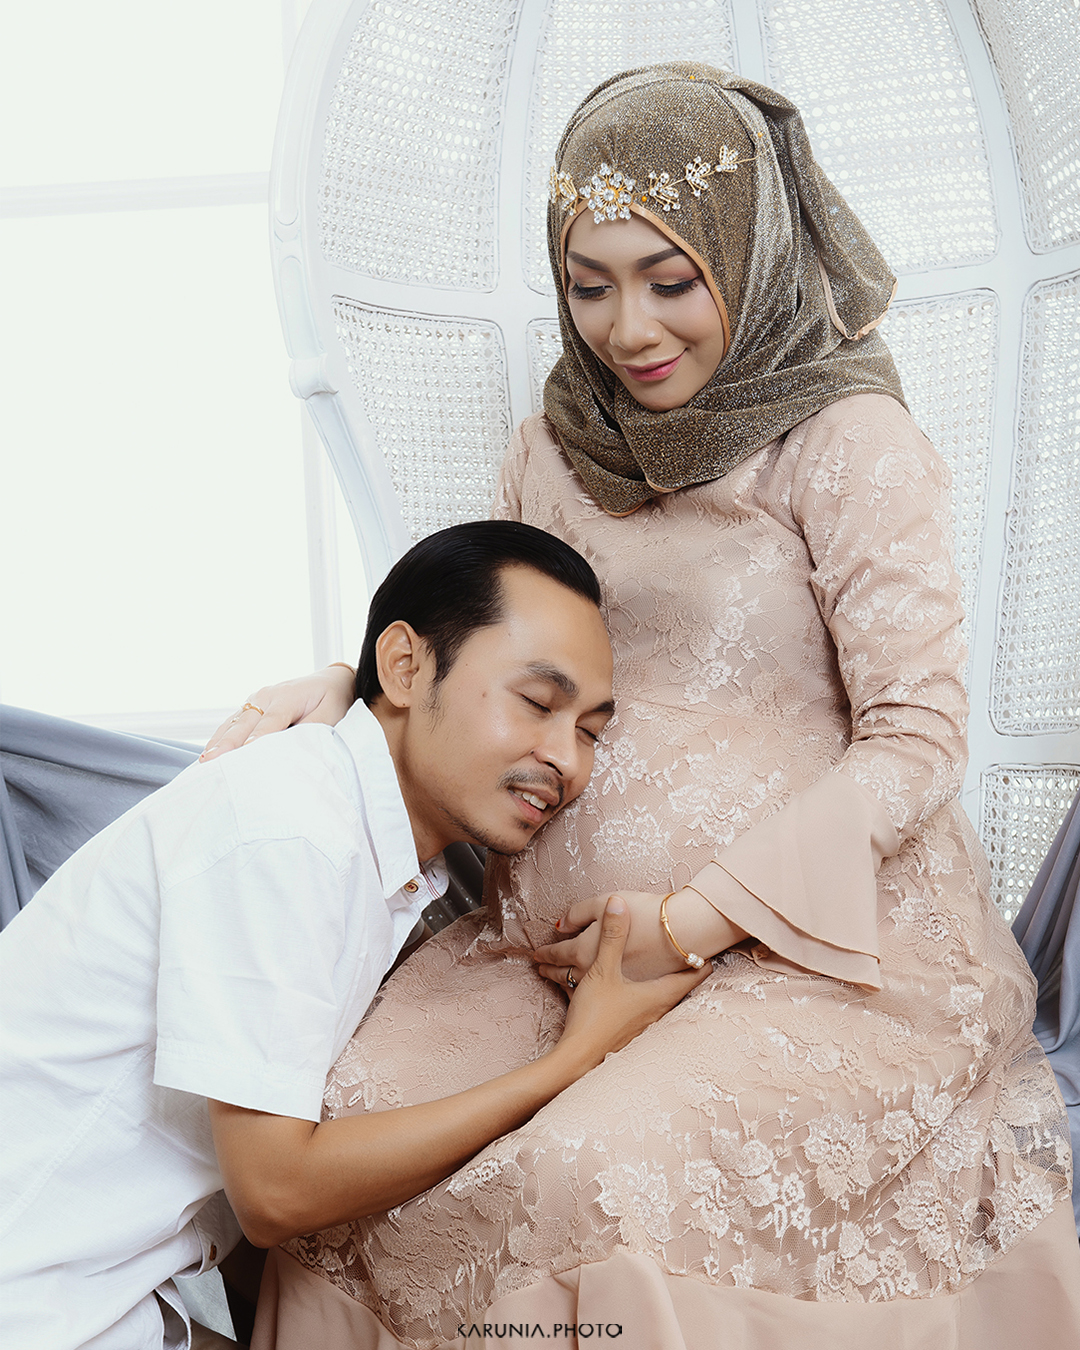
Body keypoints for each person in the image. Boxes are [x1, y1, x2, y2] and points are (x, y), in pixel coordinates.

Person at [212, 65, 1079, 1348]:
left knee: (597, 1167)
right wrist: (352, 682)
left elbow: (917, 740)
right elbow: (491, 641)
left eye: (671, 280)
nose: (628, 328)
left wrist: (689, 922)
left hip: (808, 959)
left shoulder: (843, 439)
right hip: (549, 954)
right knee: (351, 1117)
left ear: (751, 254)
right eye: (589, 285)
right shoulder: (553, 446)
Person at [0, 520, 709, 1350]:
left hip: (110, 1292)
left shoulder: (370, 841)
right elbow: (275, 1192)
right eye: (538, 703)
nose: (567, 760)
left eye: (589, 730)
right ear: (404, 666)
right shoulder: (292, 829)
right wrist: (572, 1061)